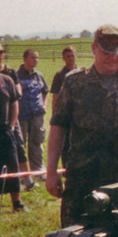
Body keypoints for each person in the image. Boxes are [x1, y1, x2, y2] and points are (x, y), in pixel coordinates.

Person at [46, 25, 118, 227]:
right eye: (106, 53)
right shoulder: (74, 83)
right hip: (82, 177)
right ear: (94, 49)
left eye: (117, 53)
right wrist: (51, 172)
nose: (112, 58)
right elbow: (58, 127)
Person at [17, 49, 48, 178]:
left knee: (37, 142)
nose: (35, 60)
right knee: (21, 143)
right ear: (24, 59)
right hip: (21, 115)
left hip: (37, 114)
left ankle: (37, 170)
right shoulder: (16, 75)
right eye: (32, 58)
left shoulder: (39, 76)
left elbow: (45, 91)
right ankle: (23, 173)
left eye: (37, 58)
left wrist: (44, 105)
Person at [0, 69, 23, 211]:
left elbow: (14, 104)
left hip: (4, 130)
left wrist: (12, 125)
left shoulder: (6, 80)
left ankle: (17, 203)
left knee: (12, 165)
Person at [50, 46, 77, 111]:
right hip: (65, 110)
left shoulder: (82, 72)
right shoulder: (59, 75)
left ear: (76, 56)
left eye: (72, 56)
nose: (70, 58)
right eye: (68, 56)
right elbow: (55, 97)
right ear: (63, 58)